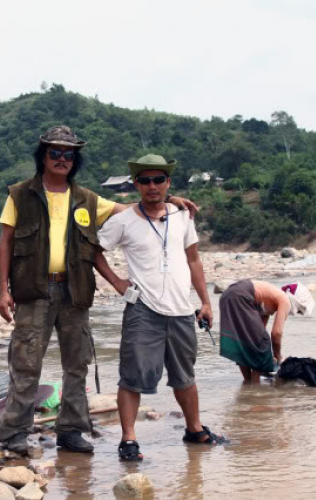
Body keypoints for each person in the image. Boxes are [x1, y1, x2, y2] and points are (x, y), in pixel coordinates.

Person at [0, 126, 196, 455]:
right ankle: (14, 432)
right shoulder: (19, 195)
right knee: (27, 363)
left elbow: (135, 207)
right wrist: (3, 290)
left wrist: (170, 199)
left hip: (74, 292)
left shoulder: (88, 199)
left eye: (69, 154)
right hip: (33, 292)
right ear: (43, 156)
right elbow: (5, 243)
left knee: (77, 364)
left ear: (75, 160)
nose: (62, 159)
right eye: (55, 153)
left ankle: (72, 431)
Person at [95, 153, 226, 462]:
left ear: (168, 182)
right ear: (136, 184)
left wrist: (206, 302)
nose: (152, 186)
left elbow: (193, 259)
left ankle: (194, 429)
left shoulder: (182, 215)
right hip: (143, 311)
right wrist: (116, 282)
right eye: (144, 180)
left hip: (181, 310)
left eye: (158, 180)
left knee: (185, 376)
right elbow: (93, 251)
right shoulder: (123, 220)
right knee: (132, 377)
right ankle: (129, 440)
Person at [219, 280, 315, 384]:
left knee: (245, 343)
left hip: (228, 295)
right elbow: (276, 333)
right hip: (240, 296)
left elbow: (257, 333)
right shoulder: (285, 300)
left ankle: (248, 384)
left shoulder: (269, 301)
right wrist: (278, 358)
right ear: (297, 300)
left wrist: (270, 356)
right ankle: (256, 392)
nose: (297, 313)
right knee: (262, 343)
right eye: (300, 311)